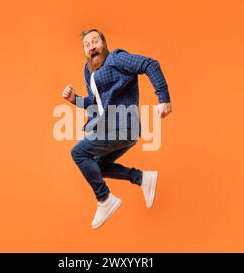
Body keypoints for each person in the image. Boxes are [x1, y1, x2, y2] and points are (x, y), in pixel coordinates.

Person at [62, 29, 172, 229]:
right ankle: (142, 178)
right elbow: (95, 103)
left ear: (104, 44)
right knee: (97, 167)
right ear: (85, 52)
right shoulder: (90, 72)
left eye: (95, 41)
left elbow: (150, 64)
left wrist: (163, 98)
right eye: (87, 44)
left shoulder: (116, 59)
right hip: (119, 129)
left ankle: (104, 199)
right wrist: (75, 100)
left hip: (122, 124)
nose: (91, 46)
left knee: (78, 152)